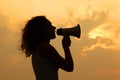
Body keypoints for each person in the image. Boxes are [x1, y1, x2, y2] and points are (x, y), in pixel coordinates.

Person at [20, 16, 74, 80]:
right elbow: (69, 67)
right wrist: (66, 47)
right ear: (43, 30)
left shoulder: (36, 51)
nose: (54, 27)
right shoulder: (46, 48)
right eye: (50, 25)